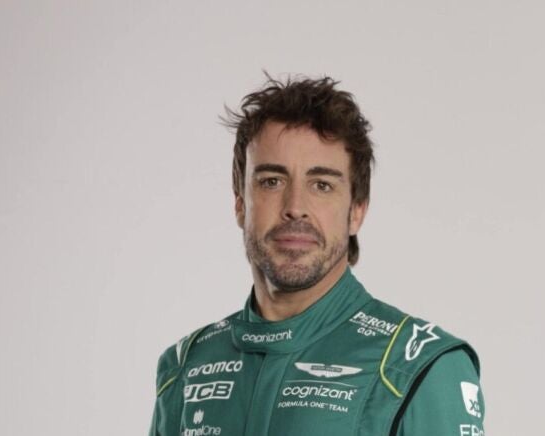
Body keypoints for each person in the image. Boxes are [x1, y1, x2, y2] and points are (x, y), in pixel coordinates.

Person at [148, 75, 486, 436]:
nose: (295, 207)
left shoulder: (418, 365)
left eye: (322, 185)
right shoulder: (186, 367)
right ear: (240, 204)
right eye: (271, 181)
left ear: (356, 211)